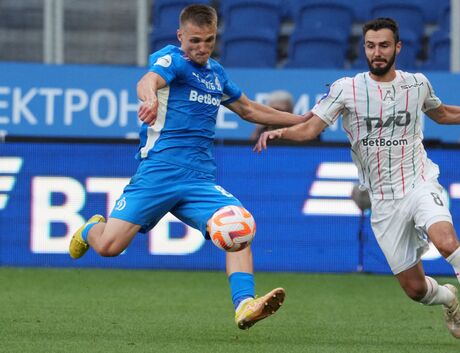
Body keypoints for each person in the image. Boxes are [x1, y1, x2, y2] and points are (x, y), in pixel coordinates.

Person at [254, 17, 460, 342]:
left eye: (384, 45)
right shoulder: (346, 88)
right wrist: (281, 131)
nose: (377, 52)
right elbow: (311, 127)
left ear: (398, 47)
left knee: (447, 242)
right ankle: (448, 298)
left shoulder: (417, 84)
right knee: (415, 289)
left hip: (419, 182)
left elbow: (443, 114)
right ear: (364, 48)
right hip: (383, 201)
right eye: (370, 46)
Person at [69, 4, 307, 330]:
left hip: (199, 178)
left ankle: (244, 305)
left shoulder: (216, 74)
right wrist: (150, 98)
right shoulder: (172, 60)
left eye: (208, 40)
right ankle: (89, 228)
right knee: (109, 247)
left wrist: (305, 120)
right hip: (160, 171)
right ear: (181, 35)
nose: (201, 48)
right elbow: (148, 80)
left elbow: (249, 110)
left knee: (239, 227)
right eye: (194, 40)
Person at [250, 90, 321, 141]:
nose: (278, 115)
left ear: (291, 111)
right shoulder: (260, 133)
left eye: (281, 111)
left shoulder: (305, 132)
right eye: (273, 111)